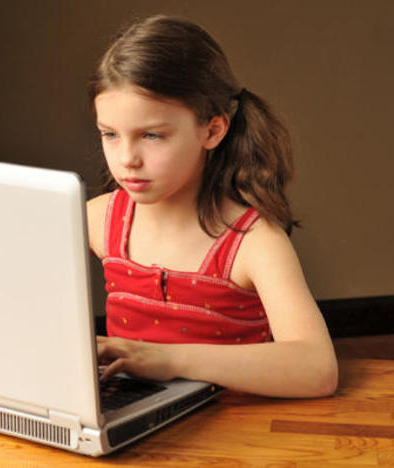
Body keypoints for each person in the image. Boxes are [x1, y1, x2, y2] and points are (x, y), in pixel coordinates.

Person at [87, 15, 338, 398]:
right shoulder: (98, 219)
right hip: (132, 430)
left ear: (213, 130)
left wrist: (168, 359)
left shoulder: (253, 240)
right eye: (110, 135)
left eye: (152, 135)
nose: (127, 159)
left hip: (235, 435)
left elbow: (317, 369)